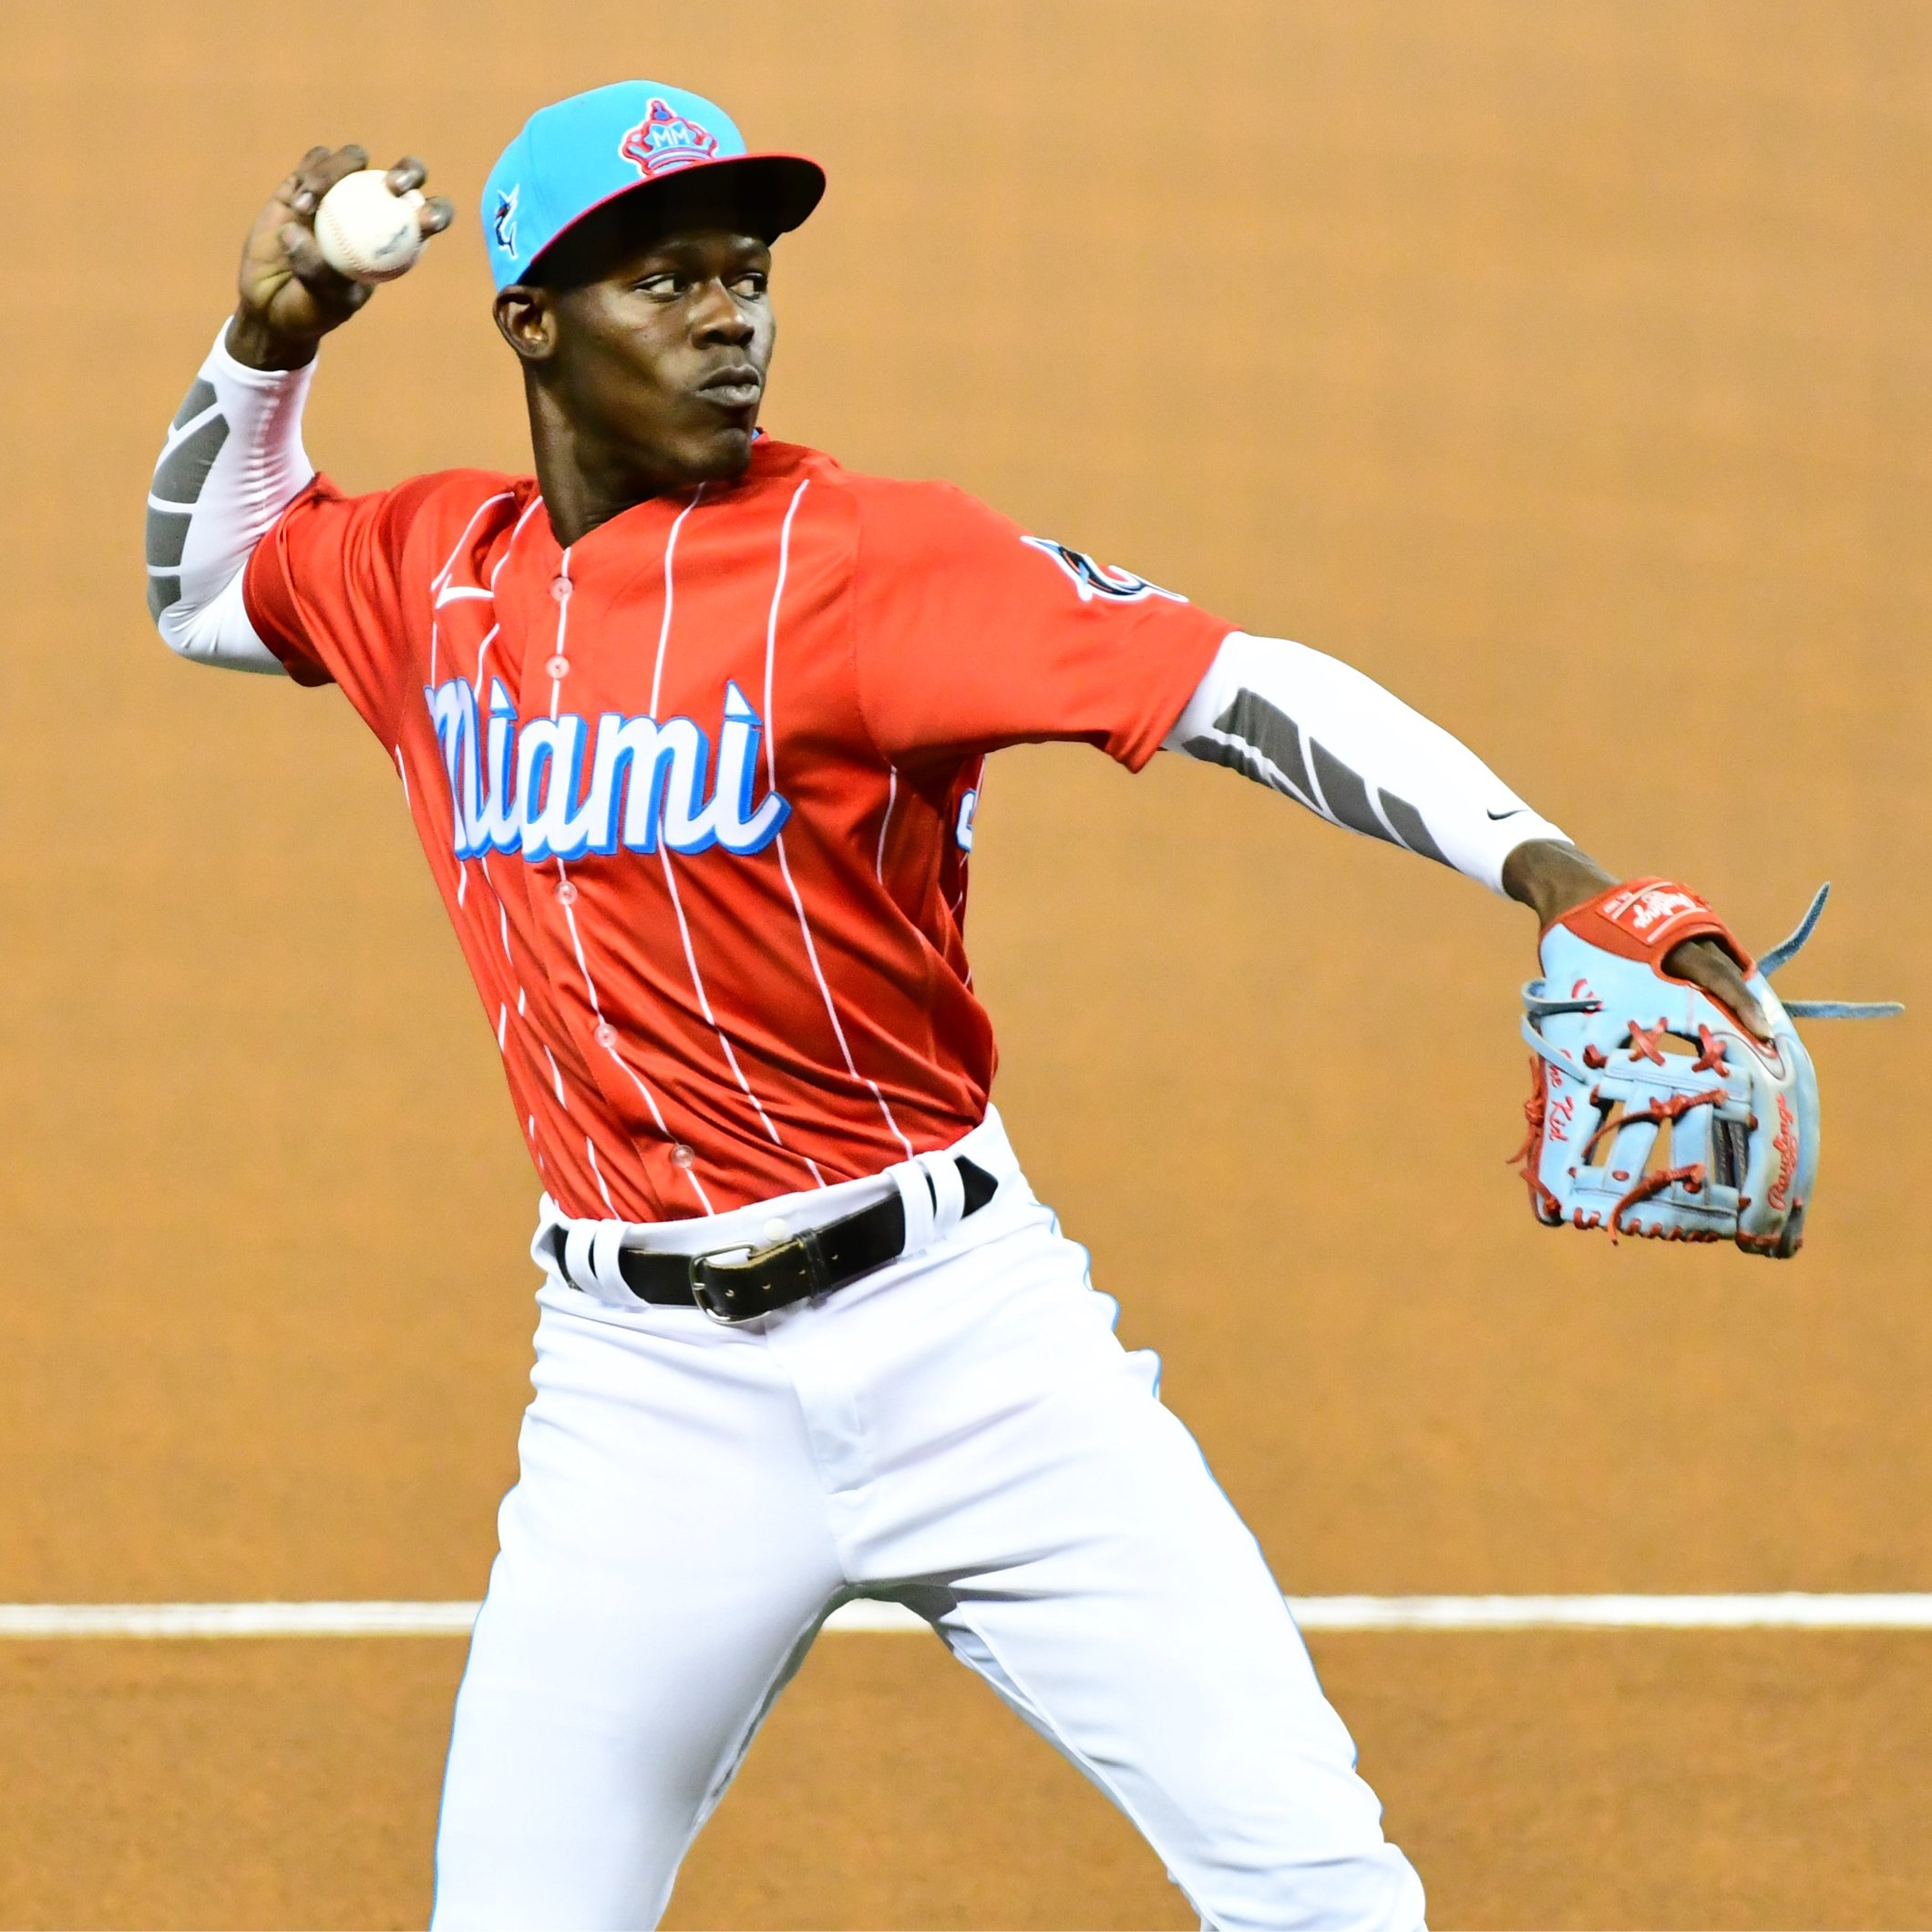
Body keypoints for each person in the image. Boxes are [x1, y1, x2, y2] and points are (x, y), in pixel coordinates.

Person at [145, 80, 1765, 1932]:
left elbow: (1233, 684)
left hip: (971, 1353)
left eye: (742, 275)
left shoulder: (870, 559)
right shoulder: (432, 575)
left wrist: (1549, 871)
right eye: (662, 282)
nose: (726, 316)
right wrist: (274, 339)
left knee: (1325, 1894)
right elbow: (201, 583)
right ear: (531, 324)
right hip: (641, 1399)